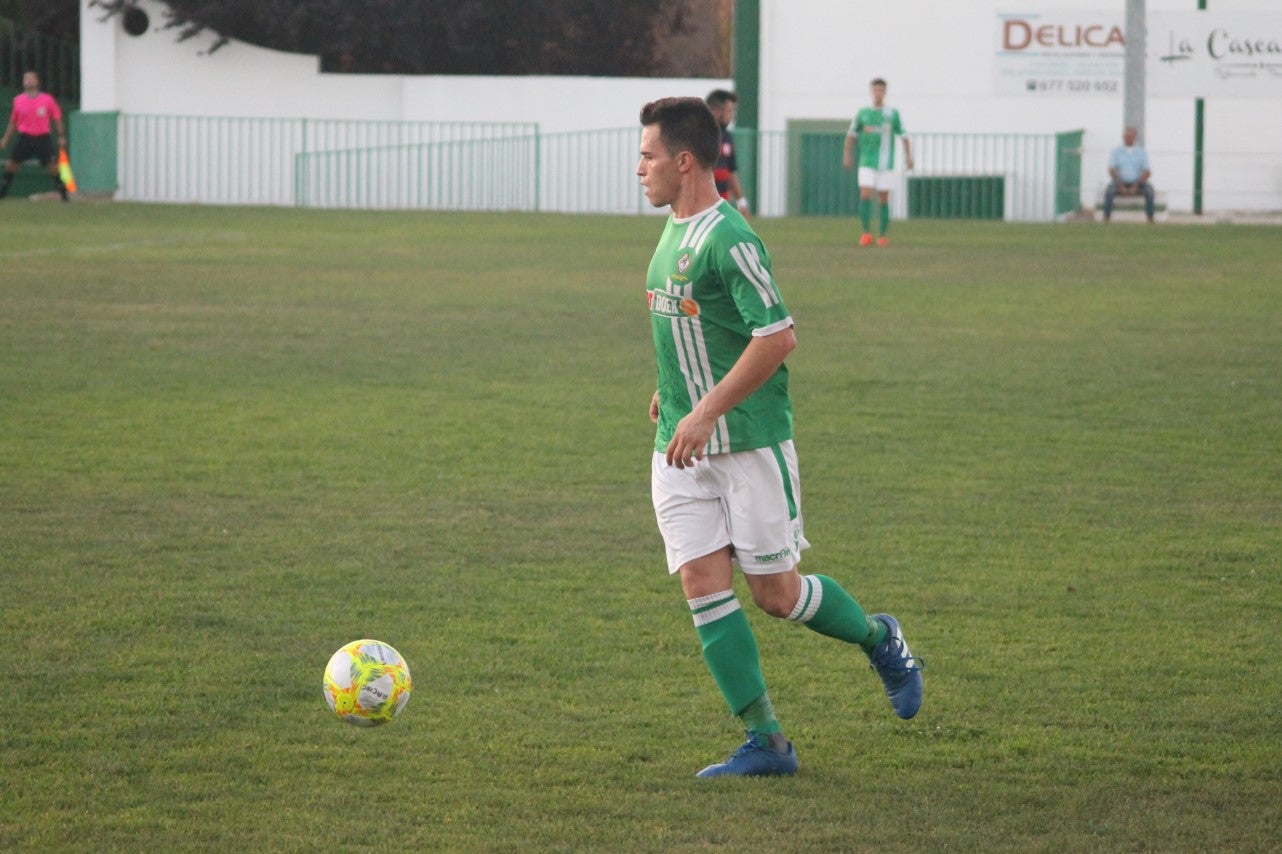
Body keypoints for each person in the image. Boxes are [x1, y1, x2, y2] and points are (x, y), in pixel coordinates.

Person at [637, 96, 924, 779]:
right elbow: (692, 325)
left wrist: (706, 408)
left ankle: (879, 638)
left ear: (683, 162)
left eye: (648, 156)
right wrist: (672, 390)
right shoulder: (673, 228)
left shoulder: (730, 237)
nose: (639, 169)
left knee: (776, 595)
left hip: (747, 442)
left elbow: (777, 336)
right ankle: (767, 742)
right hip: (680, 450)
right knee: (703, 586)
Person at [842, 78, 912, 246]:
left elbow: (904, 136)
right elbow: (851, 135)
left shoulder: (892, 114)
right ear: (871, 91)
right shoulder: (863, 114)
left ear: (885, 92)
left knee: (883, 198)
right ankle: (866, 234)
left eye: (881, 90)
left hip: (885, 163)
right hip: (867, 161)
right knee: (865, 193)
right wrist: (847, 154)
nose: (878, 93)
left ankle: (882, 236)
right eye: (875, 90)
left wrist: (909, 156)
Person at [0, 71, 70, 202]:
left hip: (42, 138)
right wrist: (5, 139)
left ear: (37, 81)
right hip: (25, 138)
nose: (28, 80)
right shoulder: (18, 100)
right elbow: (13, 122)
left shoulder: (47, 99)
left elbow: (57, 118)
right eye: (25, 78)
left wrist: (61, 135)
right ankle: (3, 192)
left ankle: (63, 194)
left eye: (31, 78)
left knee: (53, 166)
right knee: (11, 164)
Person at [705, 89, 750, 216]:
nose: (732, 115)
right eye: (730, 111)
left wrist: (741, 201)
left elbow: (730, 171)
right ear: (717, 111)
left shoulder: (726, 136)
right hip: (702, 203)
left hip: (722, 202)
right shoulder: (700, 135)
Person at [1103, 126, 1156, 223]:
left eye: (1131, 136)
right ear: (1123, 137)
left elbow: (1147, 171)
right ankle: (1106, 218)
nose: (1128, 138)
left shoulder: (1141, 152)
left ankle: (1150, 218)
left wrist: (1136, 185)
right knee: (1110, 191)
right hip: (1119, 182)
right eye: (1126, 136)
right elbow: (1111, 170)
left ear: (1135, 137)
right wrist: (1120, 184)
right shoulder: (1116, 152)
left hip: (1138, 182)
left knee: (1149, 191)